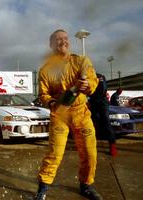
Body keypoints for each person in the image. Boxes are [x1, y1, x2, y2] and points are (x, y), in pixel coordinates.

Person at [36, 29, 102, 200]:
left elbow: (93, 83)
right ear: (51, 45)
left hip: (81, 112)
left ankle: (86, 185)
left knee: (89, 152)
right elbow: (44, 95)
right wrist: (52, 103)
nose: (63, 41)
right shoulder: (45, 70)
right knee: (55, 153)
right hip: (60, 115)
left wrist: (86, 85)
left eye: (65, 38)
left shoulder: (81, 61)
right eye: (58, 39)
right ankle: (42, 188)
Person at [89, 73, 117, 156]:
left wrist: (90, 95)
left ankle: (112, 145)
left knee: (106, 122)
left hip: (102, 103)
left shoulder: (99, 76)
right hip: (93, 103)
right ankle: (91, 145)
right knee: (92, 124)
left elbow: (102, 89)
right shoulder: (85, 76)